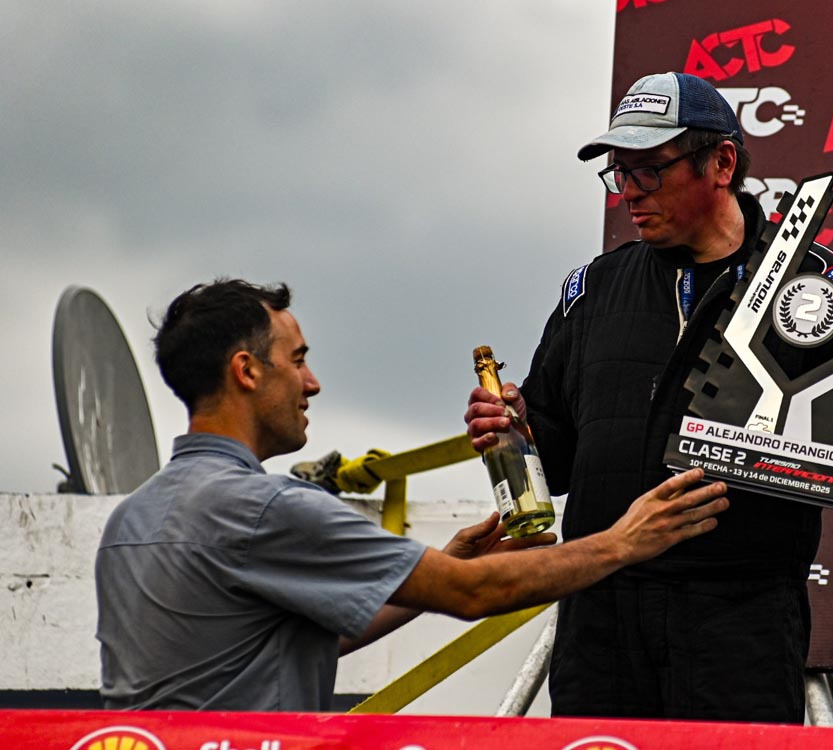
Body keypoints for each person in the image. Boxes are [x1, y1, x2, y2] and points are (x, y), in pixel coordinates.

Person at [464, 72, 833, 723]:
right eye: (618, 173)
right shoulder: (592, 290)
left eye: (648, 171)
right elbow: (559, 461)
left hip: (740, 628)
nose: (629, 192)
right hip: (602, 624)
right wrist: (517, 431)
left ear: (721, 163)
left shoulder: (814, 289)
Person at [95, 278, 729, 712]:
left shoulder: (130, 520)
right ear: (246, 370)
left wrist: (449, 561)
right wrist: (623, 543)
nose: (312, 383)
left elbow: (291, 645)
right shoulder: (265, 509)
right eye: (298, 359)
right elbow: (474, 595)